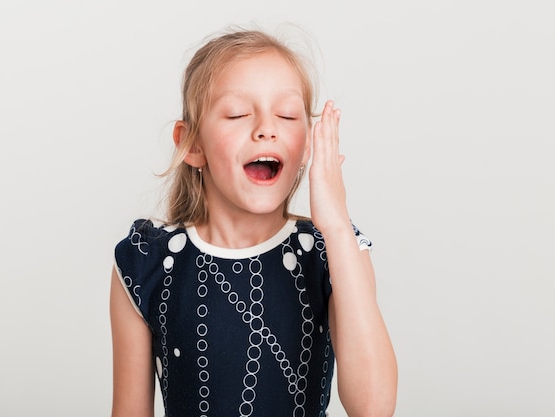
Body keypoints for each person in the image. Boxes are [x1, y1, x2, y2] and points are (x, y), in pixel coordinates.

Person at [110, 27, 397, 417]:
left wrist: (336, 225)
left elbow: (374, 408)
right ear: (191, 144)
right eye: (238, 114)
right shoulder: (145, 263)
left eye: (287, 114)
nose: (267, 127)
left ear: (307, 143)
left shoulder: (335, 251)